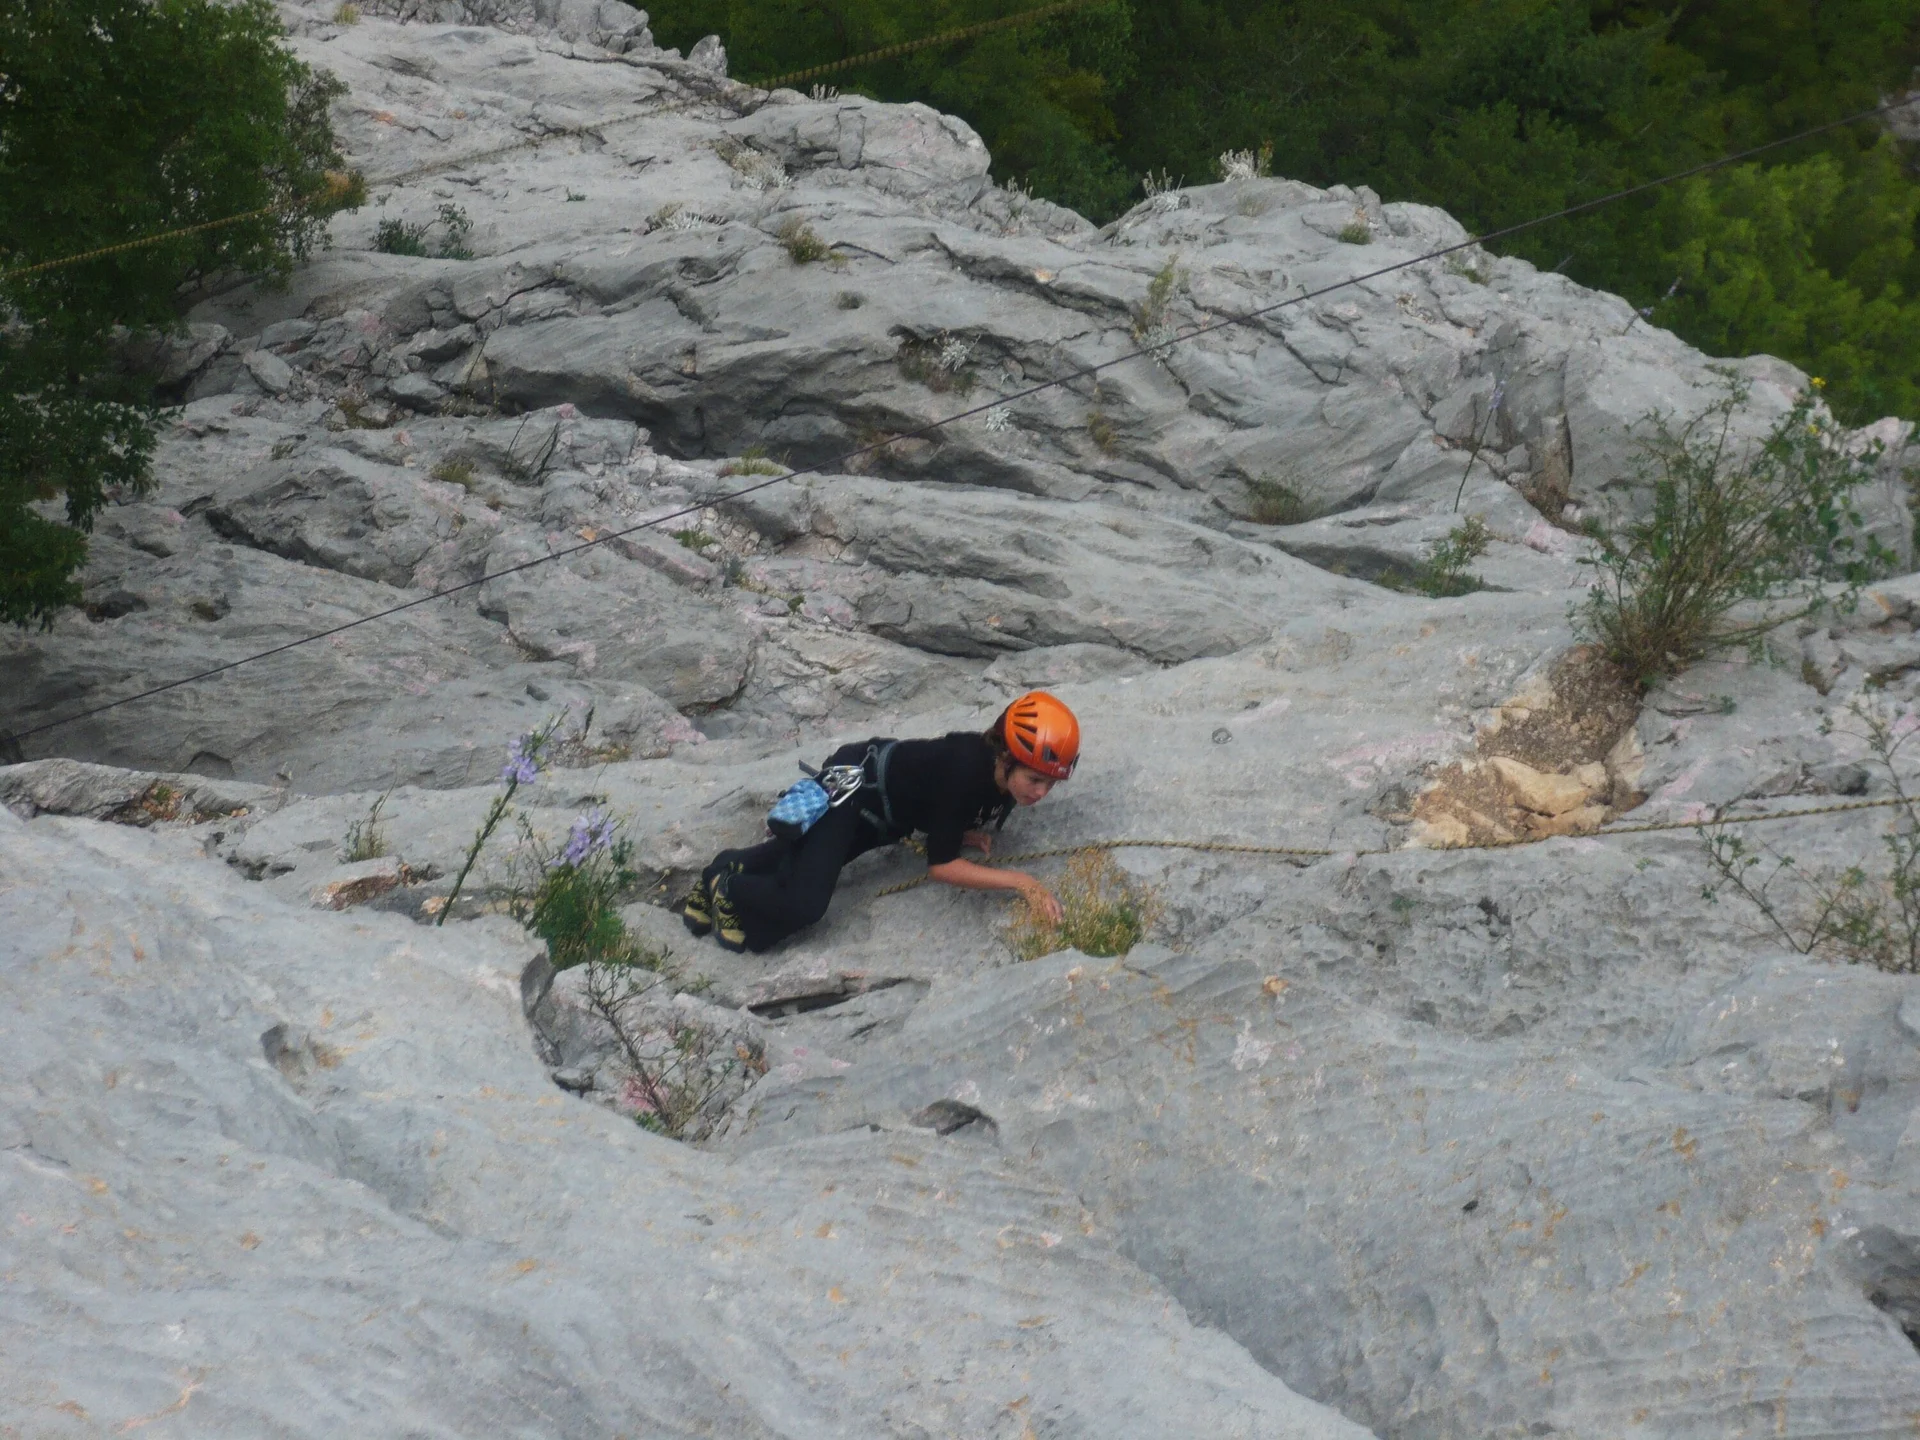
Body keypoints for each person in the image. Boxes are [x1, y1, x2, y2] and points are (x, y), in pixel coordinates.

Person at [681, 691, 1080, 953]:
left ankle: (718, 870)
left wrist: (955, 827)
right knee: (802, 905)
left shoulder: (990, 776)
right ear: (1006, 757)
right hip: (855, 788)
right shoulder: (967, 773)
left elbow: (936, 798)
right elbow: (942, 867)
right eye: (1034, 779)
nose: (1040, 793)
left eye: (1050, 783)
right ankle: (728, 887)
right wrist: (1023, 882)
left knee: (786, 873)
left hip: (881, 807)